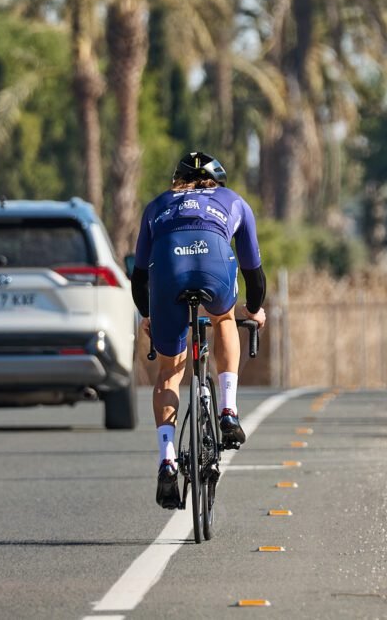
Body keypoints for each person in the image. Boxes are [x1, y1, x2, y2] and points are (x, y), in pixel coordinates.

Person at [130, 152, 267, 510]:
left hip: (167, 274)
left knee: (169, 374)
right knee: (223, 318)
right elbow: (254, 272)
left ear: (177, 181)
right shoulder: (233, 201)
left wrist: (148, 315)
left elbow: (139, 276)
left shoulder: (157, 205)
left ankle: (167, 458)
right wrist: (253, 310)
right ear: (216, 181)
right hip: (215, 267)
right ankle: (228, 410)